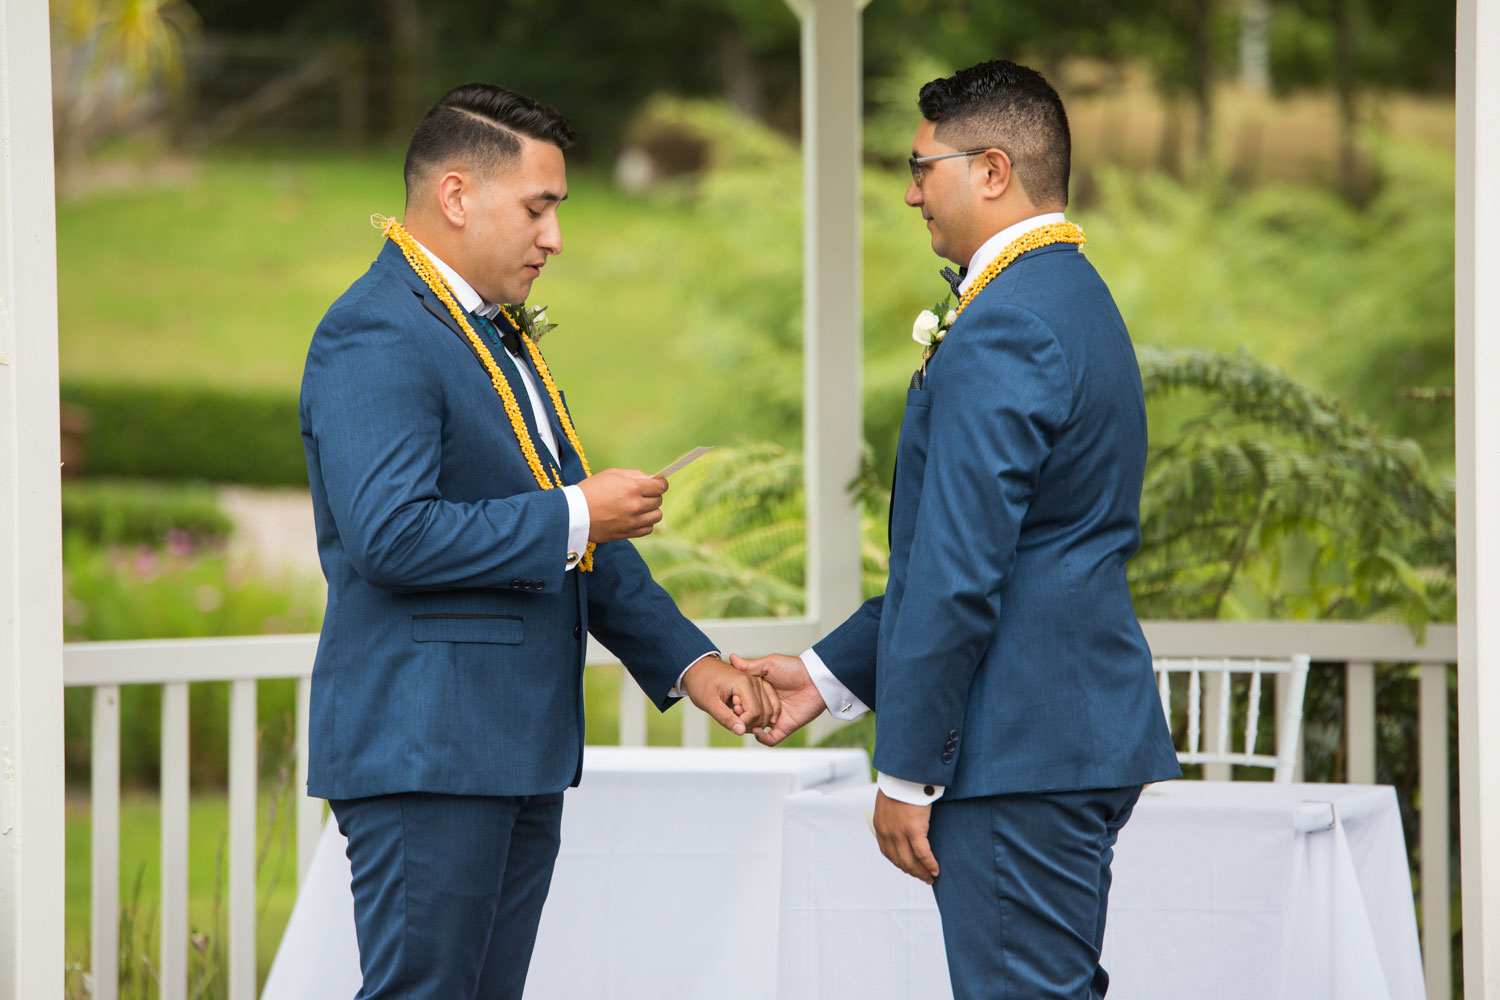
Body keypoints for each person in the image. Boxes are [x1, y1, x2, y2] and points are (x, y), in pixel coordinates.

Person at [299, 82, 778, 1000]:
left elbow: (574, 532)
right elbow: (391, 535)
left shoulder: (493, 335)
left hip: (513, 749)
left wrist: (691, 663)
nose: (554, 238)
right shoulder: (376, 333)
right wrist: (576, 515)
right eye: (539, 208)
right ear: (455, 196)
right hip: (427, 748)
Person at [733, 60, 1181, 999]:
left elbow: (961, 567)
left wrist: (906, 772)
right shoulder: (1069, 294)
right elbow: (1012, 550)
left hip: (1017, 743)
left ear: (990, 171)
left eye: (920, 165)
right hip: (1063, 732)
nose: (908, 191)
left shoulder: (1008, 322)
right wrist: (827, 675)